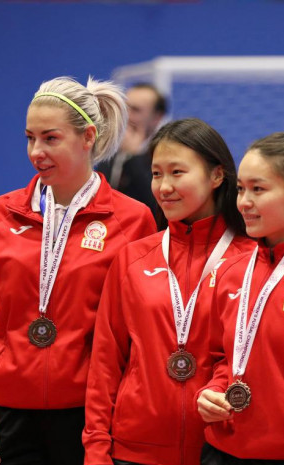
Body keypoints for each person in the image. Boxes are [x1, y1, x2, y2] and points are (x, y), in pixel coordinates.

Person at [0, 76, 157, 465]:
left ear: (87, 137)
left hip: (91, 419)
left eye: (50, 138)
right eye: (30, 138)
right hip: (4, 415)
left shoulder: (133, 220)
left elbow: (139, 333)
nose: (36, 151)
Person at [83, 118, 254, 465]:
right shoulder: (133, 257)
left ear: (217, 176)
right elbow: (105, 361)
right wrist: (97, 450)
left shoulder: (250, 258)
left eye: (177, 172)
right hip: (135, 451)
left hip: (221, 450)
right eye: (157, 173)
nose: (163, 187)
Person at [196, 132, 284, 465]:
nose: (244, 202)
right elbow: (223, 357)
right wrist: (212, 391)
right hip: (221, 452)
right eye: (240, 189)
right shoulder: (231, 270)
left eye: (258, 189)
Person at [97, 83, 168, 219]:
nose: (126, 116)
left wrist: (134, 155)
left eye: (136, 110)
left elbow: (158, 206)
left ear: (156, 118)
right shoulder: (113, 148)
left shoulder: (166, 152)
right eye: (125, 108)